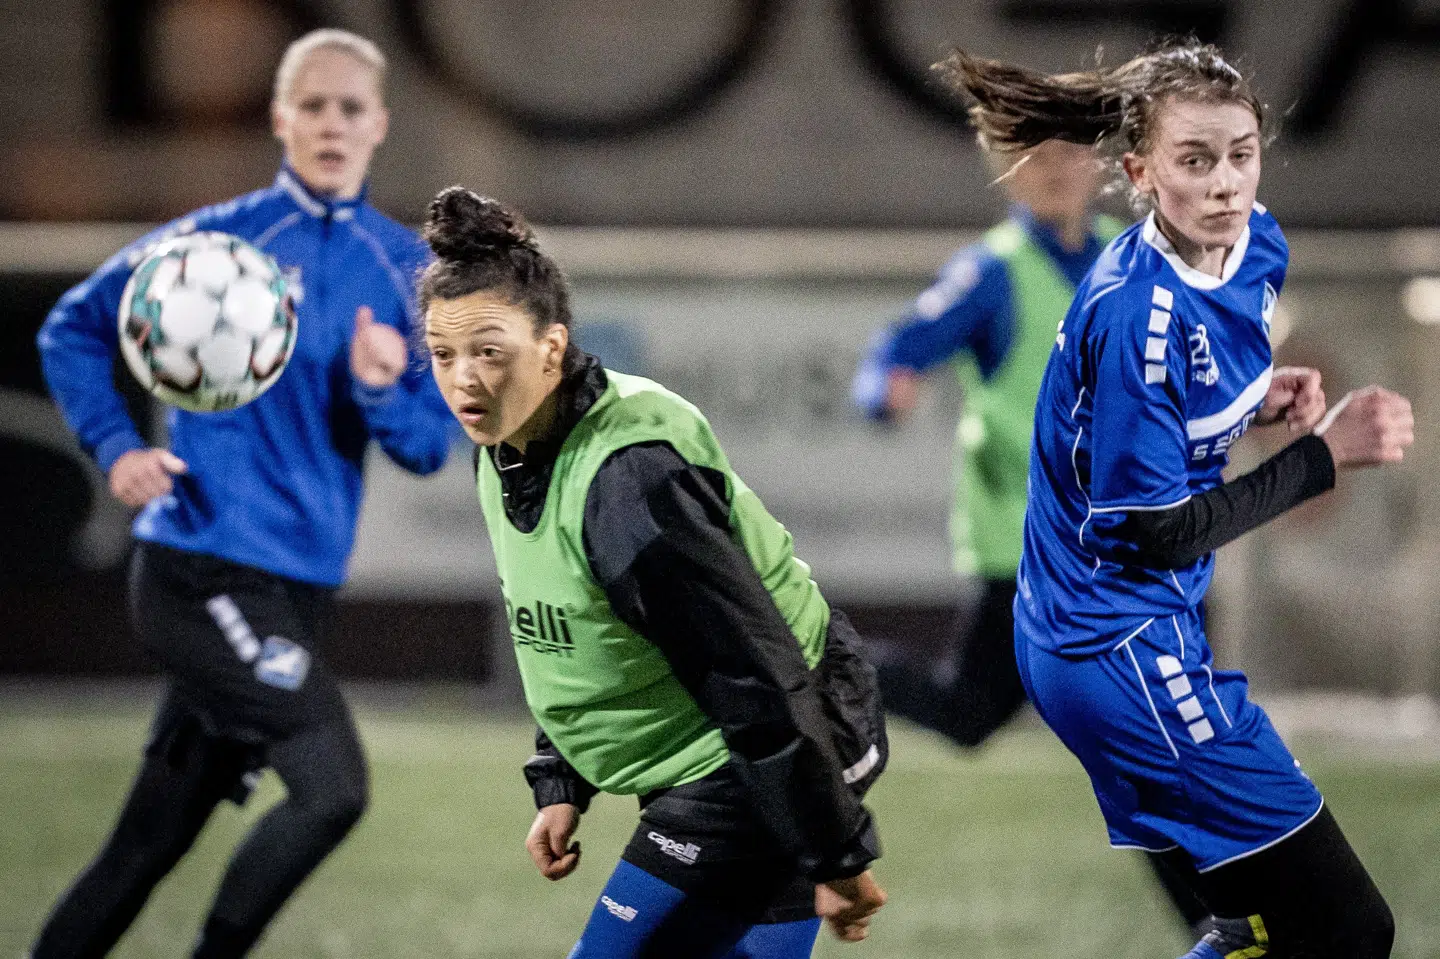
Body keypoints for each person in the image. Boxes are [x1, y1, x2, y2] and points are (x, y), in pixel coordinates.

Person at [944, 40, 1409, 958]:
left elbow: (1188, 400)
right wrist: (1323, 454)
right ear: (1141, 173)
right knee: (1350, 931)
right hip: (1113, 651)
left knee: (1257, 928)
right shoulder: (1134, 316)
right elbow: (1158, 533)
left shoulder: (1254, 244)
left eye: (1241, 152)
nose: (1226, 182)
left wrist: (1254, 396)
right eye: (1195, 161)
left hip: (1120, 633)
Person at [32, 29, 452, 959]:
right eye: (314, 105)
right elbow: (71, 328)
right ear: (281, 118)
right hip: (201, 568)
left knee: (146, 844)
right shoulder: (220, 240)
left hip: (295, 594)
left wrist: (382, 388)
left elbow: (429, 448)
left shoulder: (409, 274)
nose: (332, 123)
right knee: (334, 786)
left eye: (351, 108)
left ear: (379, 124)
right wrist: (115, 448)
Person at [419, 186, 889, 958]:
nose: (463, 379)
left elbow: (753, 670)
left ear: (553, 346)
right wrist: (562, 776)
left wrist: (832, 846)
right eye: (443, 354)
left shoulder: (628, 484)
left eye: (488, 351)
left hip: (771, 748)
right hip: (729, 751)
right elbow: (570, 625)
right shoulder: (509, 442)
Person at [852, 131, 1222, 927]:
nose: (1058, 173)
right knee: (1132, 740)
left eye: (1072, 154)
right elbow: (895, 349)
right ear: (1007, 173)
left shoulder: (1133, 259)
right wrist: (886, 388)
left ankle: (839, 661)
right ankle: (1223, 920)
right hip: (1035, 555)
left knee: (982, 714)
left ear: (1104, 166)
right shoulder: (991, 272)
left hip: (1120, 547)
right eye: (1039, 159)